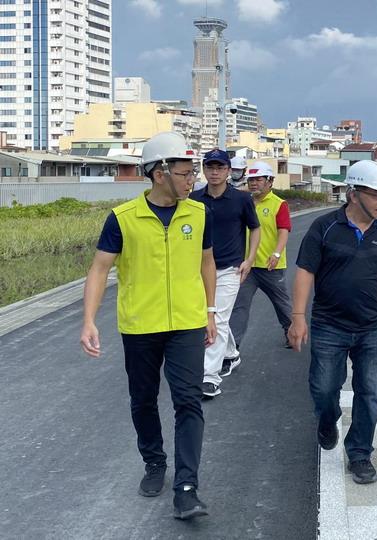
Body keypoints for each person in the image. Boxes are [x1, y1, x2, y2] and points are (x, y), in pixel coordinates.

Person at [79, 131, 216, 519]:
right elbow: (99, 269)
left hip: (187, 322)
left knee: (188, 401)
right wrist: (88, 320)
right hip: (140, 325)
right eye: (186, 172)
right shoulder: (123, 219)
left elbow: (206, 262)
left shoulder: (199, 213)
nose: (193, 180)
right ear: (160, 173)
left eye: (194, 173)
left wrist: (208, 311)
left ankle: (187, 487)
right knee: (143, 399)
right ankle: (154, 462)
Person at [288, 160, 377, 485]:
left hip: (371, 328)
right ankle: (327, 419)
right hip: (330, 325)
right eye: (376, 194)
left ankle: (360, 454)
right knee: (324, 389)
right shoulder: (324, 227)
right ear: (354, 194)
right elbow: (305, 271)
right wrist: (298, 318)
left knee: (370, 393)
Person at [189, 149, 261, 399]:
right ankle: (230, 353)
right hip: (199, 270)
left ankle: (209, 376)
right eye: (210, 167)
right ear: (204, 169)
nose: (215, 172)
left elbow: (255, 229)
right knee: (209, 316)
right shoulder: (194, 199)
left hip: (230, 269)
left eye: (220, 167)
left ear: (229, 171)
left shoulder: (241, 200)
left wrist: (249, 260)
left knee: (216, 318)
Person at [226, 161, 295, 370]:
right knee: (239, 306)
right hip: (247, 266)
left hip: (271, 266)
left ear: (270, 181)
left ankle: (291, 333)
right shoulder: (244, 202)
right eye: (252, 180)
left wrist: (276, 253)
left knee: (282, 304)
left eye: (259, 179)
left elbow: (284, 230)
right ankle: (233, 347)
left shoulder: (278, 204)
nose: (254, 184)